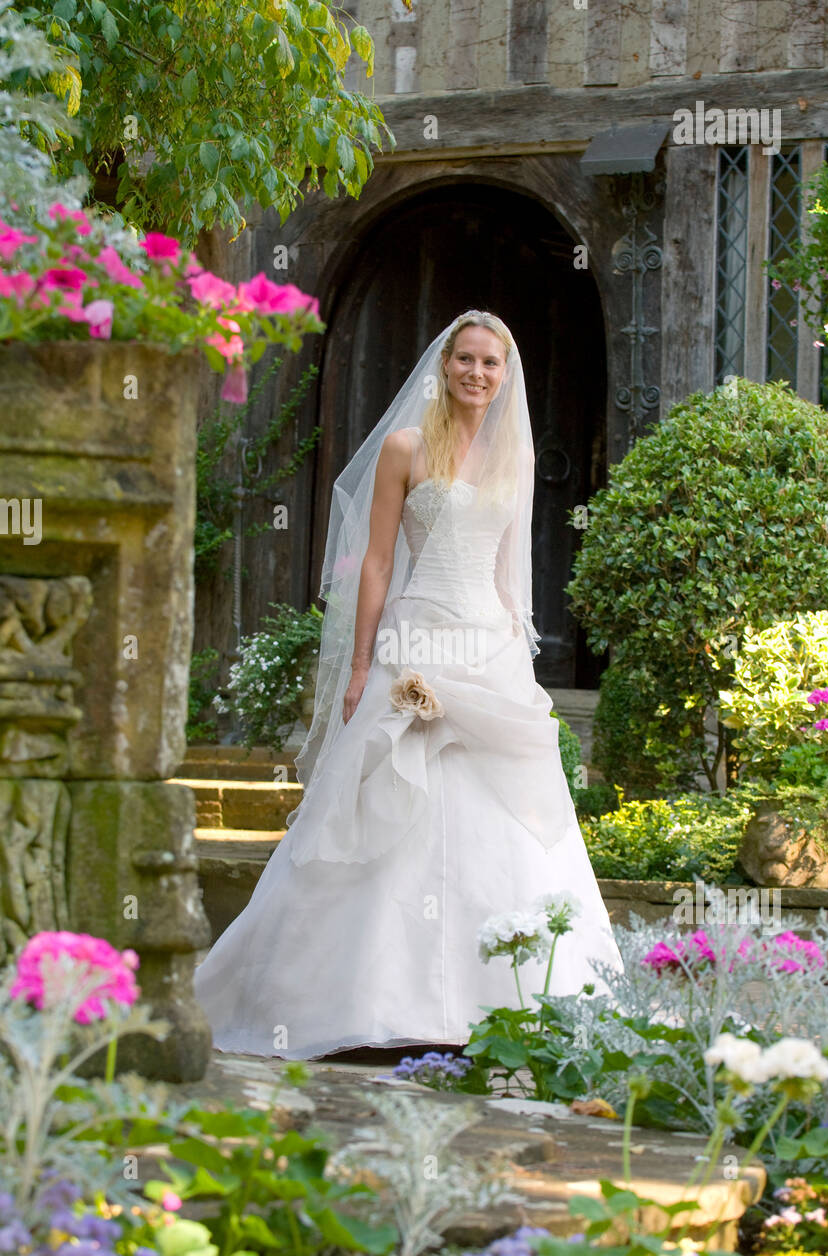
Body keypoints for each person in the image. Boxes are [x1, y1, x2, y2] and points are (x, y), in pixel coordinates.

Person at [193, 309, 624, 1060]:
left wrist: (514, 665)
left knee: (503, 817)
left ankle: (503, 1005)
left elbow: (508, 571)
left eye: (491, 363)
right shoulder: (403, 447)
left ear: (503, 373)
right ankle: (365, 1001)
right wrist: (362, 666)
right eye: (466, 359)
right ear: (444, 363)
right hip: (414, 640)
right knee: (383, 804)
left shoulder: (513, 455)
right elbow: (377, 564)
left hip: (486, 646)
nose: (477, 374)